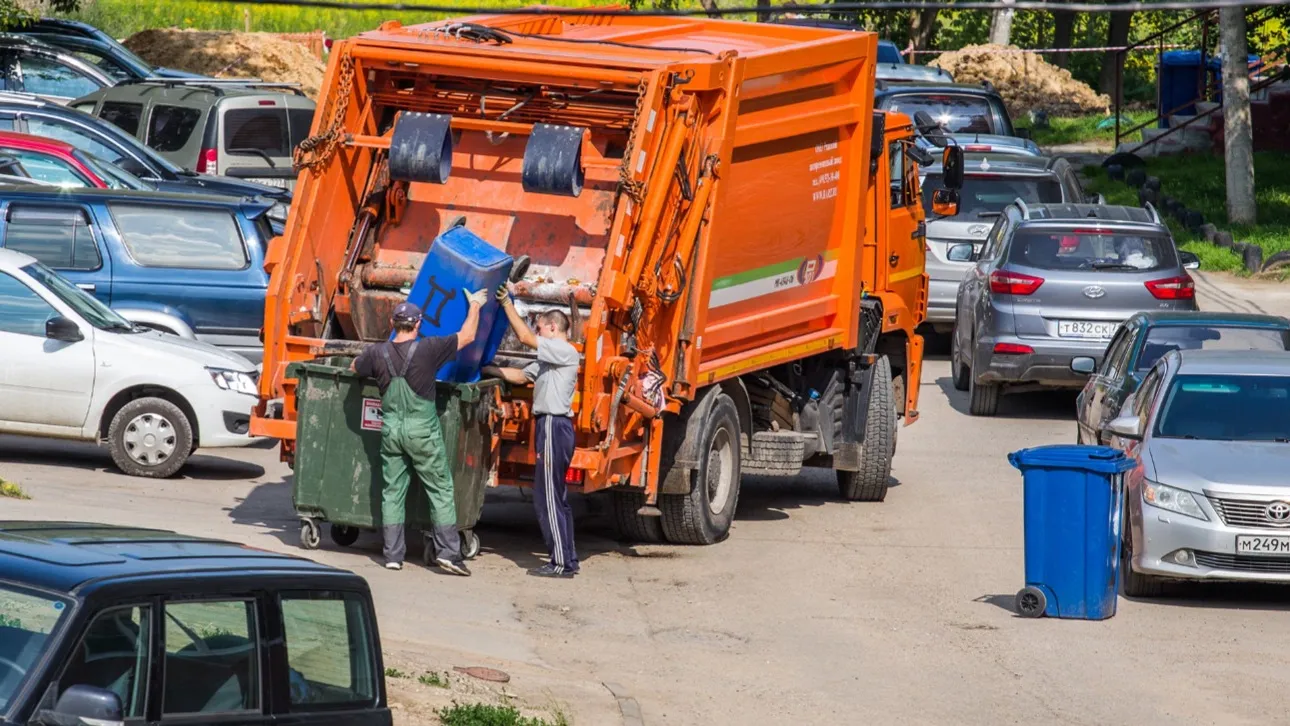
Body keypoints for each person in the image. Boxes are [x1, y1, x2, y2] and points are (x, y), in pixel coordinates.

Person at [352, 290, 487, 574]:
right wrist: (475, 304)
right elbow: (467, 336)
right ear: (418, 323)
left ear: (392, 322)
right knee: (440, 489)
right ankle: (448, 553)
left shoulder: (377, 353)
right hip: (422, 432)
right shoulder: (429, 349)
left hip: (391, 431)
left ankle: (392, 555)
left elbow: (355, 367)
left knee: (392, 492)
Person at [483, 285, 581, 578]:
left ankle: (561, 563)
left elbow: (525, 338)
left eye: (540, 328)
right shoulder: (551, 360)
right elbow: (520, 375)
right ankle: (566, 558)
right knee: (551, 496)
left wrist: (506, 305)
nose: (537, 333)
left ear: (553, 327)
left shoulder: (564, 350)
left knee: (549, 497)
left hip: (554, 425)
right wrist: (487, 370)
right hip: (550, 427)